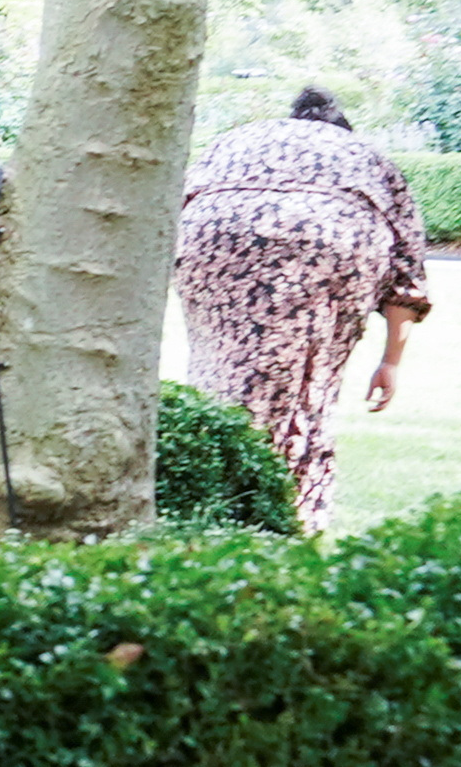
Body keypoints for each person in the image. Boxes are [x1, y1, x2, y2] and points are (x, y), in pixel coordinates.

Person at [170, 89, 429, 530]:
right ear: (340, 129)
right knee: (309, 389)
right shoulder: (362, 153)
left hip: (211, 233)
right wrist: (390, 363)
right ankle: (291, 510)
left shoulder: (240, 139)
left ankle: (211, 494)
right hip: (327, 235)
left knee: (219, 376)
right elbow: (406, 279)